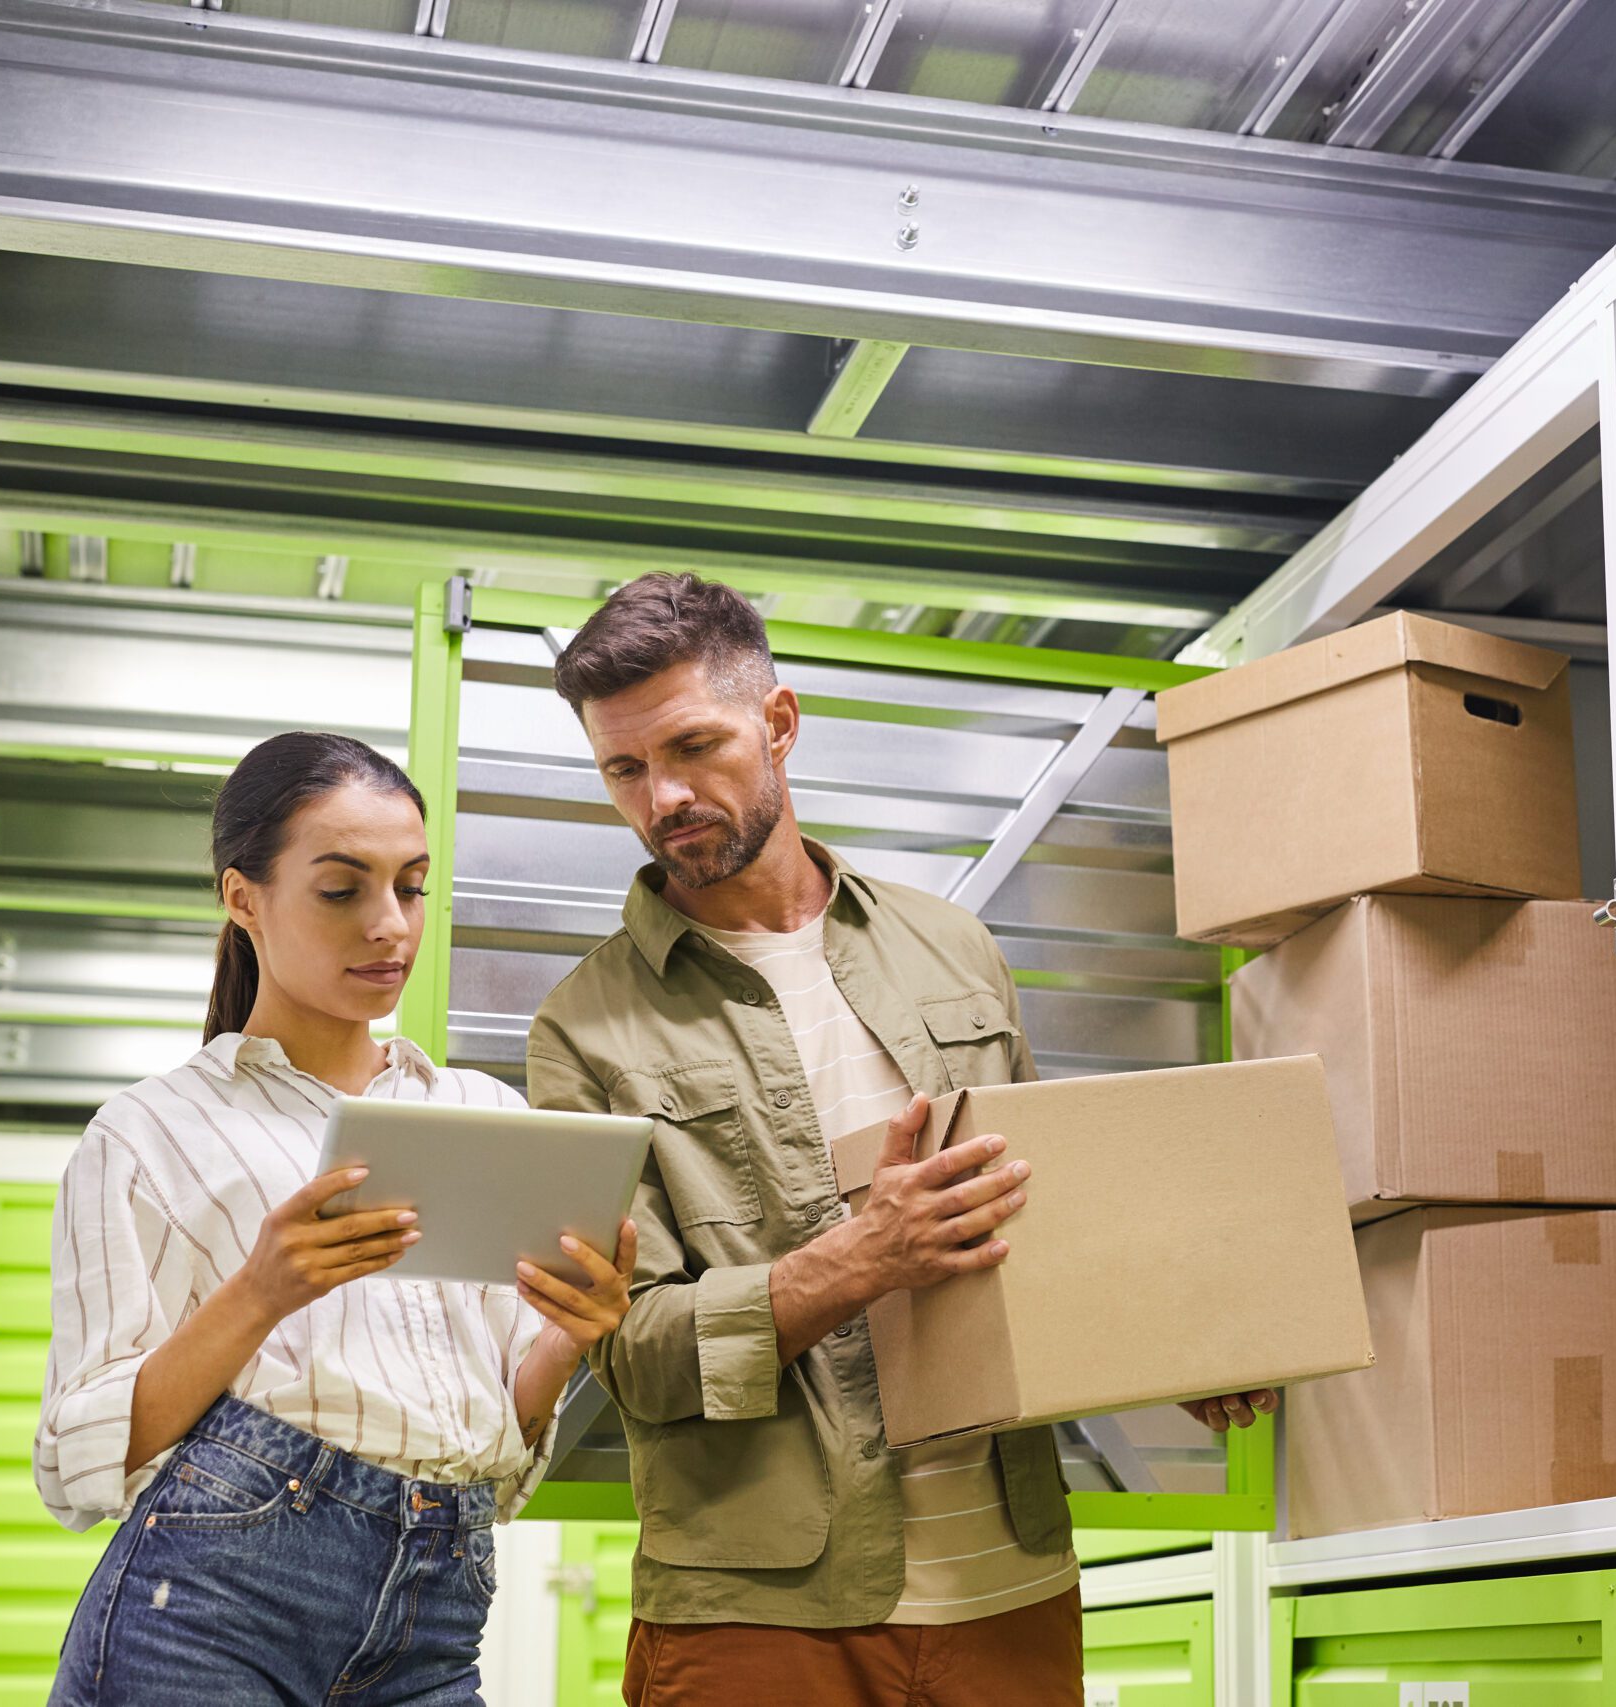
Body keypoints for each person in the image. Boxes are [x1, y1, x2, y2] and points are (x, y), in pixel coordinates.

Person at [522, 573, 1275, 1707]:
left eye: (693, 746)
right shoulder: (582, 1030)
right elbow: (631, 1355)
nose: (663, 795)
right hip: (760, 1615)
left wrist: (1174, 1347)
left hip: (1010, 1584)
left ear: (777, 724)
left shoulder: (952, 948)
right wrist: (859, 1260)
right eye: (625, 769)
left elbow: (1035, 1220)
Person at [36, 731, 637, 1706]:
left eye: (411, 886)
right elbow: (76, 1463)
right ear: (243, 900)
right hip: (213, 1604)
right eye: (341, 888)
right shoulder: (151, 1133)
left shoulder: (486, 1116)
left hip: (438, 1603)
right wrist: (263, 1290)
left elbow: (501, 1446)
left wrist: (565, 1340)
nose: (389, 925)